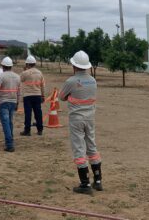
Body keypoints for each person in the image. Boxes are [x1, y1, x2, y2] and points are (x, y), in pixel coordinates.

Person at [59, 50, 102, 194]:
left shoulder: (71, 81)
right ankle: (98, 180)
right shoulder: (93, 80)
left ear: (74, 66)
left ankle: (85, 184)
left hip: (76, 119)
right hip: (90, 118)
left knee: (79, 148)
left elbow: (62, 97)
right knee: (92, 146)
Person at [0, 56, 21, 152]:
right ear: (11, 66)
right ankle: (10, 140)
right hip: (13, 102)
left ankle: (9, 145)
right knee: (10, 122)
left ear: (3, 66)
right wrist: (17, 102)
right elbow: (19, 92)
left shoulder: (1, 76)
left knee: (5, 123)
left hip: (3, 102)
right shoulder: (17, 77)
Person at [20, 55, 45, 136]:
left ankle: (27, 131)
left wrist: (24, 70)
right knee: (38, 112)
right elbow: (42, 85)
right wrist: (43, 96)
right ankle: (40, 130)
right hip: (37, 95)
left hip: (27, 96)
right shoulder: (40, 73)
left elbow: (21, 79)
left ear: (27, 64)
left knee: (28, 113)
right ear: (35, 63)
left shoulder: (25, 73)